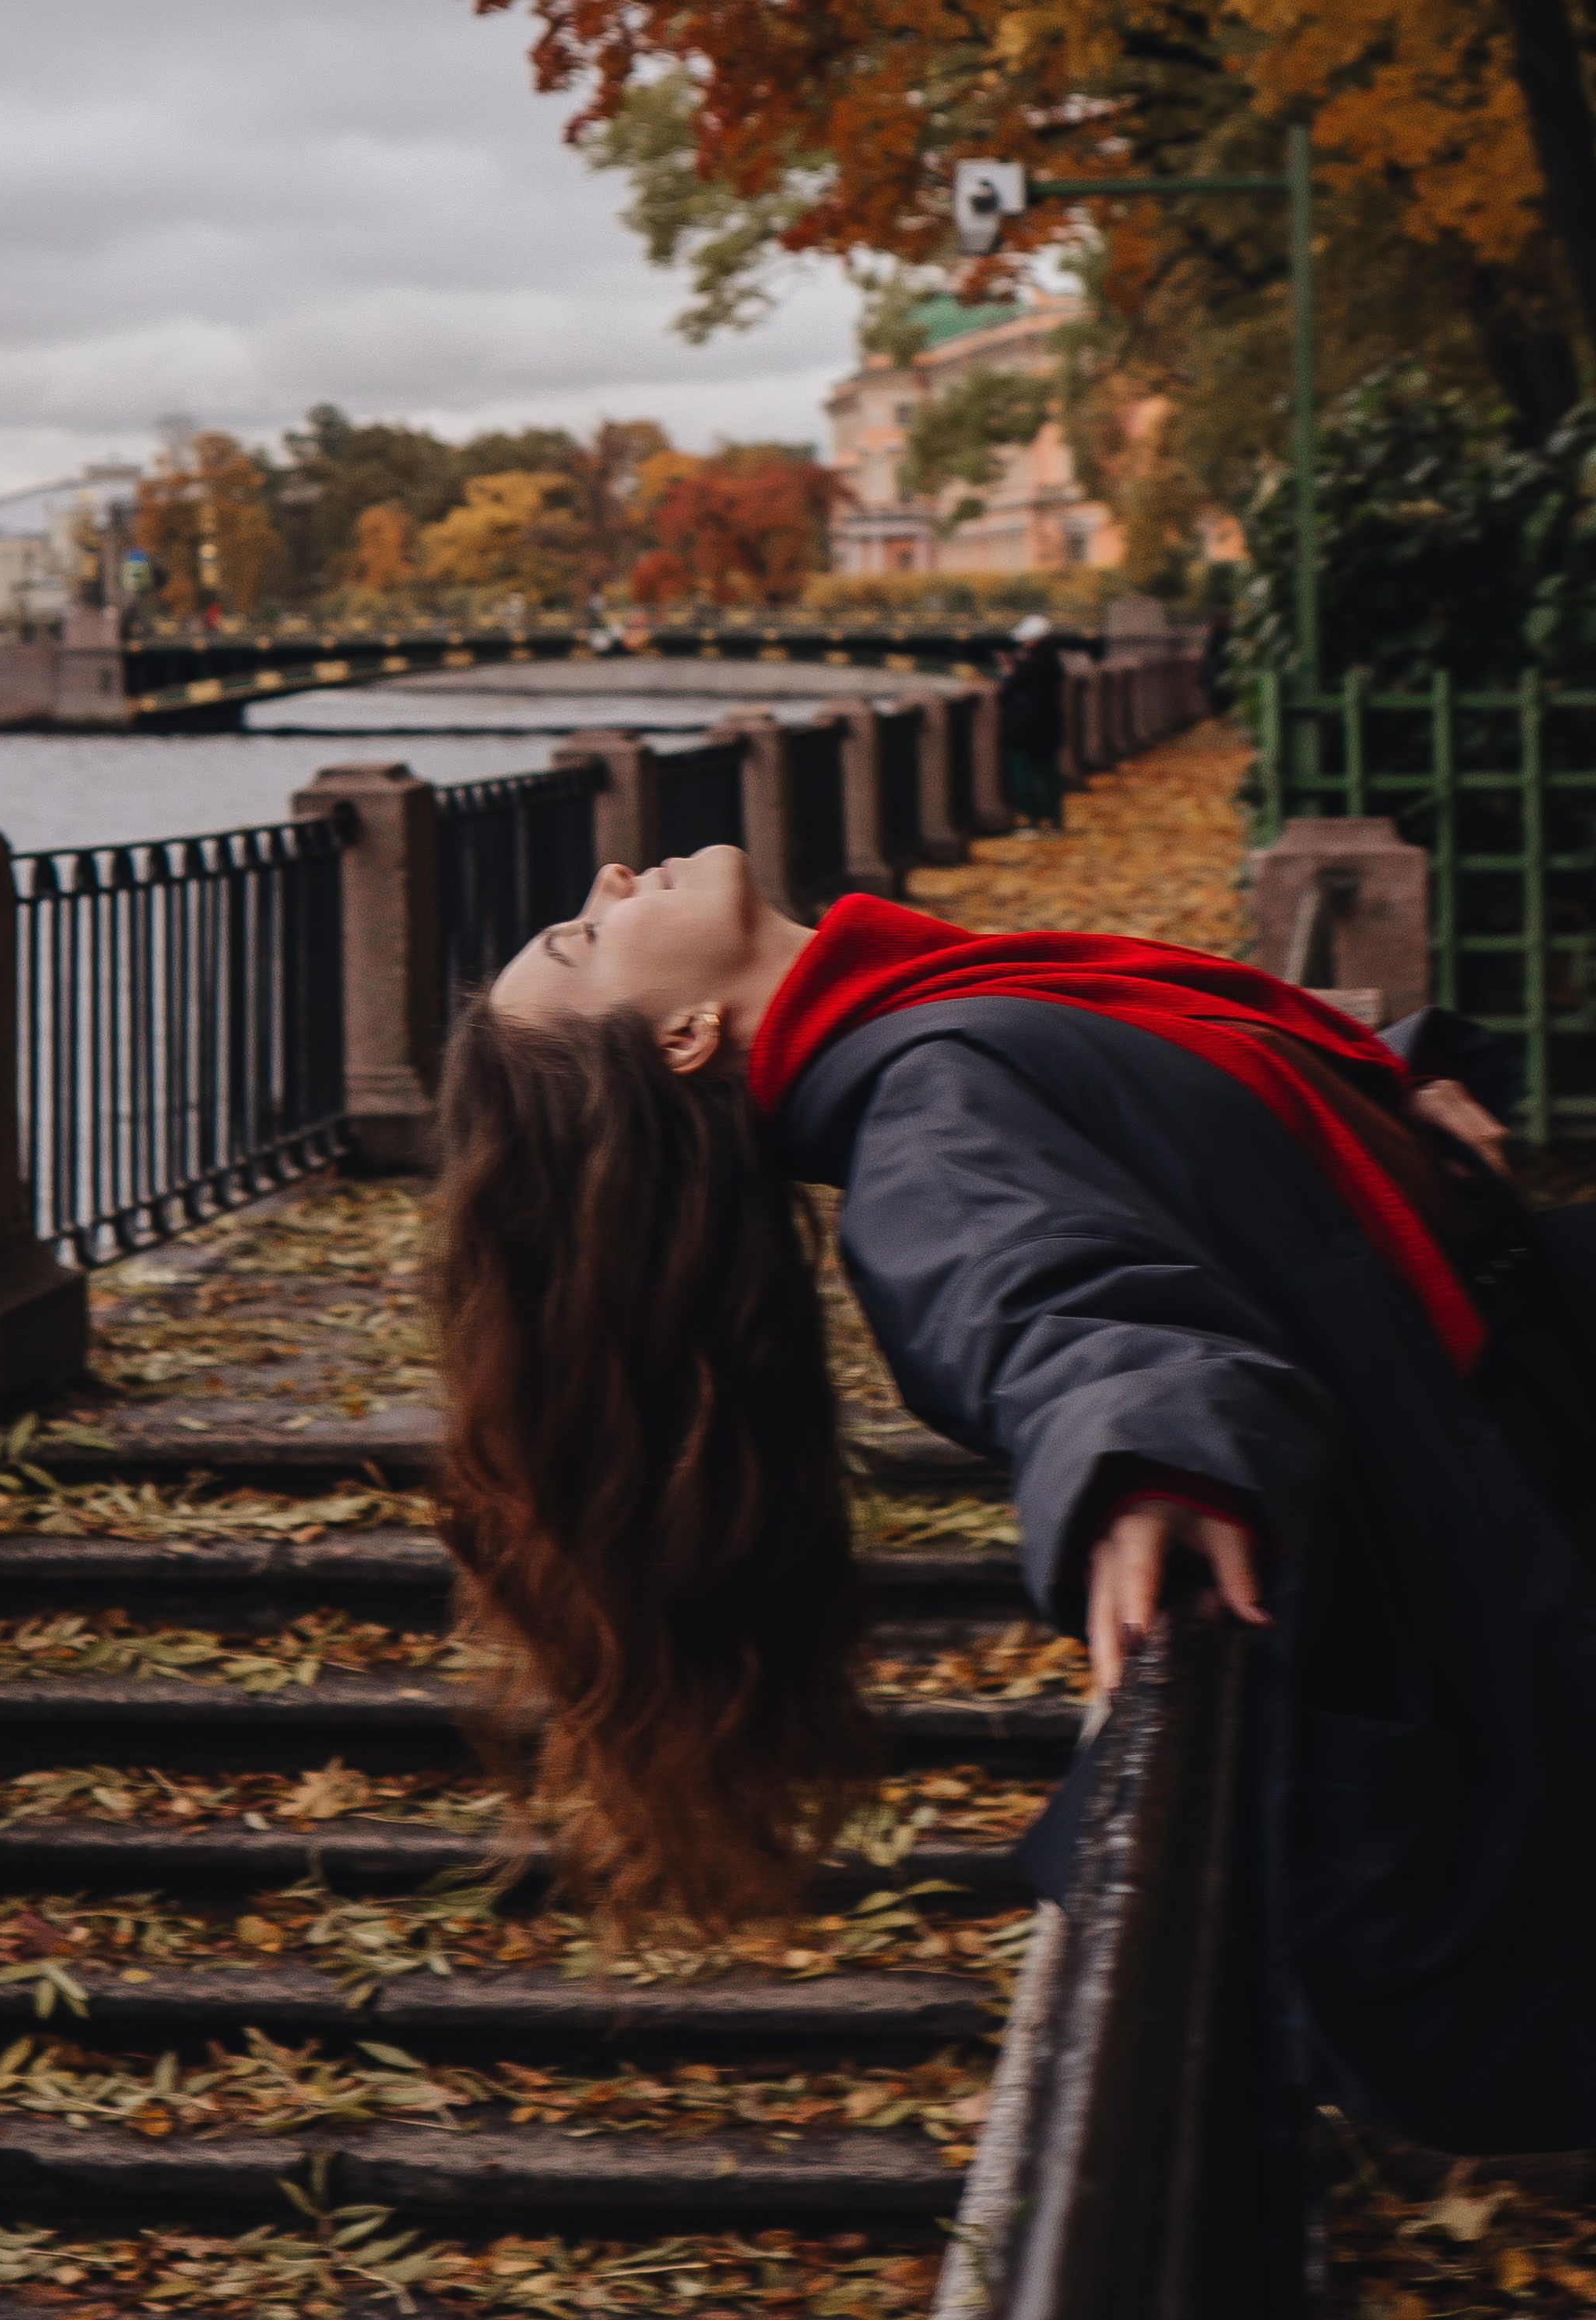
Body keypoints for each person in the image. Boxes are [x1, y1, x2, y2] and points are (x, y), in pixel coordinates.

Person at [435, 846, 1596, 2155]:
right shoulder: (925, 1114)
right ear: (689, 1035)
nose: (607, 876)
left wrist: (1386, 1086)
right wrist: (1143, 1451)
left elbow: (1183, 1094)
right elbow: (1042, 1292)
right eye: (587, 937)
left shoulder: (933, 1020)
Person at [997, 613, 1067, 834]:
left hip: (1023, 728)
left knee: (1023, 775)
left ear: (1033, 640)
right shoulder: (1055, 665)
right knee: (1049, 773)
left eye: (1026, 639)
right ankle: (1055, 821)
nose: (1022, 642)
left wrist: (1009, 673)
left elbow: (1007, 695)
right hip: (1049, 725)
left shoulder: (1026, 666)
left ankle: (1032, 821)